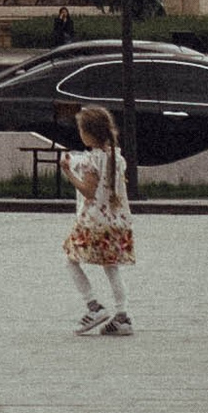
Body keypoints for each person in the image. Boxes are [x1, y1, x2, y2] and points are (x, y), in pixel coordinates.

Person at [58, 98, 135, 333]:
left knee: (70, 261)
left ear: (89, 134)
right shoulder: (117, 157)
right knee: (111, 267)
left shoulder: (93, 160)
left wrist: (68, 173)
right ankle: (122, 316)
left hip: (93, 222)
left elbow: (89, 191)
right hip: (116, 223)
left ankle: (94, 306)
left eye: (81, 130)